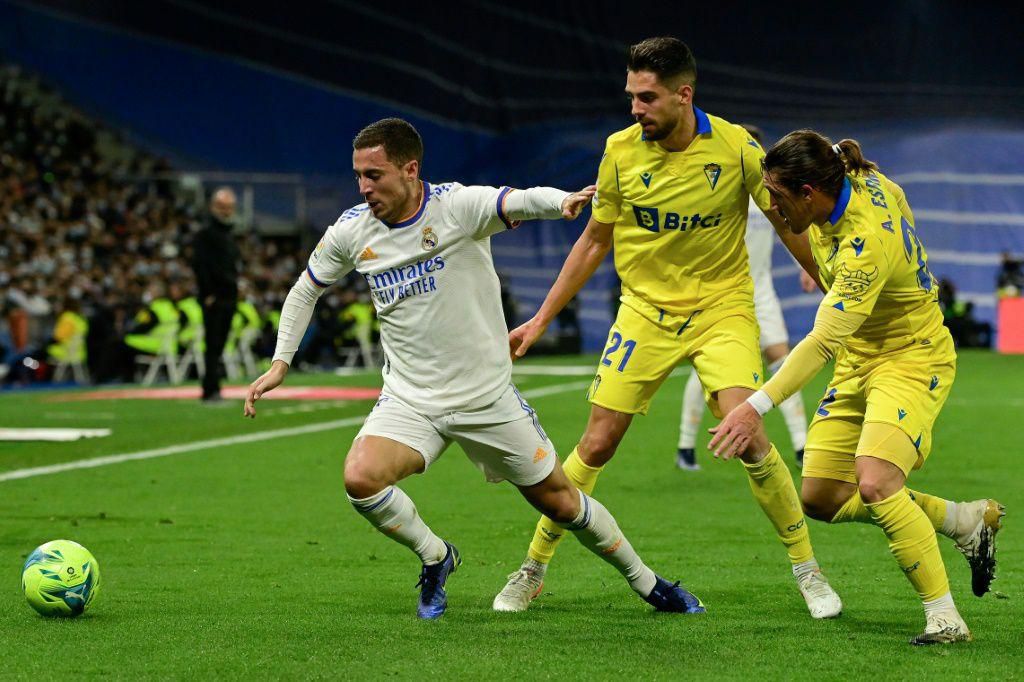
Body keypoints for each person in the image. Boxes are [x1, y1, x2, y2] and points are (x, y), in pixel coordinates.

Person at [244, 118, 705, 620]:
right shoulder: (351, 231)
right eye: (358, 175)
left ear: (410, 169)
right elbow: (306, 287)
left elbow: (515, 200)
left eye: (374, 175)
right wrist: (281, 362)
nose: (364, 187)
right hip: (411, 400)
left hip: (485, 398)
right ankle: (436, 557)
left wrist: (563, 201)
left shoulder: (456, 207)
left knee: (562, 504)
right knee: (361, 478)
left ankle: (648, 583)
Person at [493, 37, 841, 619]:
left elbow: (790, 223)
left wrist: (833, 287)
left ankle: (808, 570)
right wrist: (541, 317)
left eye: (647, 97)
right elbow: (595, 239)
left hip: (721, 311)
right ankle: (533, 566)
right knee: (597, 442)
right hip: (644, 313)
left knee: (749, 432)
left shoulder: (736, 148)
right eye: (630, 96)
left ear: (684, 94)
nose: (635, 108)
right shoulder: (619, 152)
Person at [710, 130, 1005, 645]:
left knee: (874, 482)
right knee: (821, 497)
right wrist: (843, 280)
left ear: (808, 193)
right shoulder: (854, 180)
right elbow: (902, 212)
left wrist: (754, 406)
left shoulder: (866, 244)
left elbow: (820, 342)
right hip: (859, 357)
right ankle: (962, 520)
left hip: (910, 357)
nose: (773, 212)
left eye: (778, 200)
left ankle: (945, 617)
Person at [676, 125, 807, 471]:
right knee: (706, 375)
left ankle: (802, 445)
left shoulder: (770, 197)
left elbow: (791, 229)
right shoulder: (722, 195)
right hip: (725, 295)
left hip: (761, 292)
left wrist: (807, 265)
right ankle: (686, 446)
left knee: (784, 361)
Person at [192, 187, 241, 402]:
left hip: (228, 296)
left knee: (219, 345)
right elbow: (200, 265)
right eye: (222, 207)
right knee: (213, 344)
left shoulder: (227, 234)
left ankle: (213, 387)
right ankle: (210, 389)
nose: (226, 211)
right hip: (215, 297)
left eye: (229, 207)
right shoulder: (206, 234)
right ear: (213, 207)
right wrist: (208, 293)